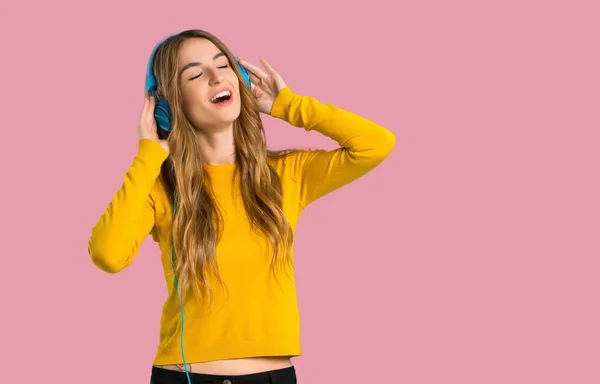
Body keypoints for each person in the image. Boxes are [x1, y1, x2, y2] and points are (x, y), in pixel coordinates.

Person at [88, 29, 396, 384]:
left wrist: (288, 105)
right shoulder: (159, 186)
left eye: (223, 65)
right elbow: (108, 255)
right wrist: (148, 155)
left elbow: (376, 144)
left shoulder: (287, 173)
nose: (217, 77)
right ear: (167, 105)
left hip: (272, 377)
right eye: (195, 74)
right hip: (185, 377)